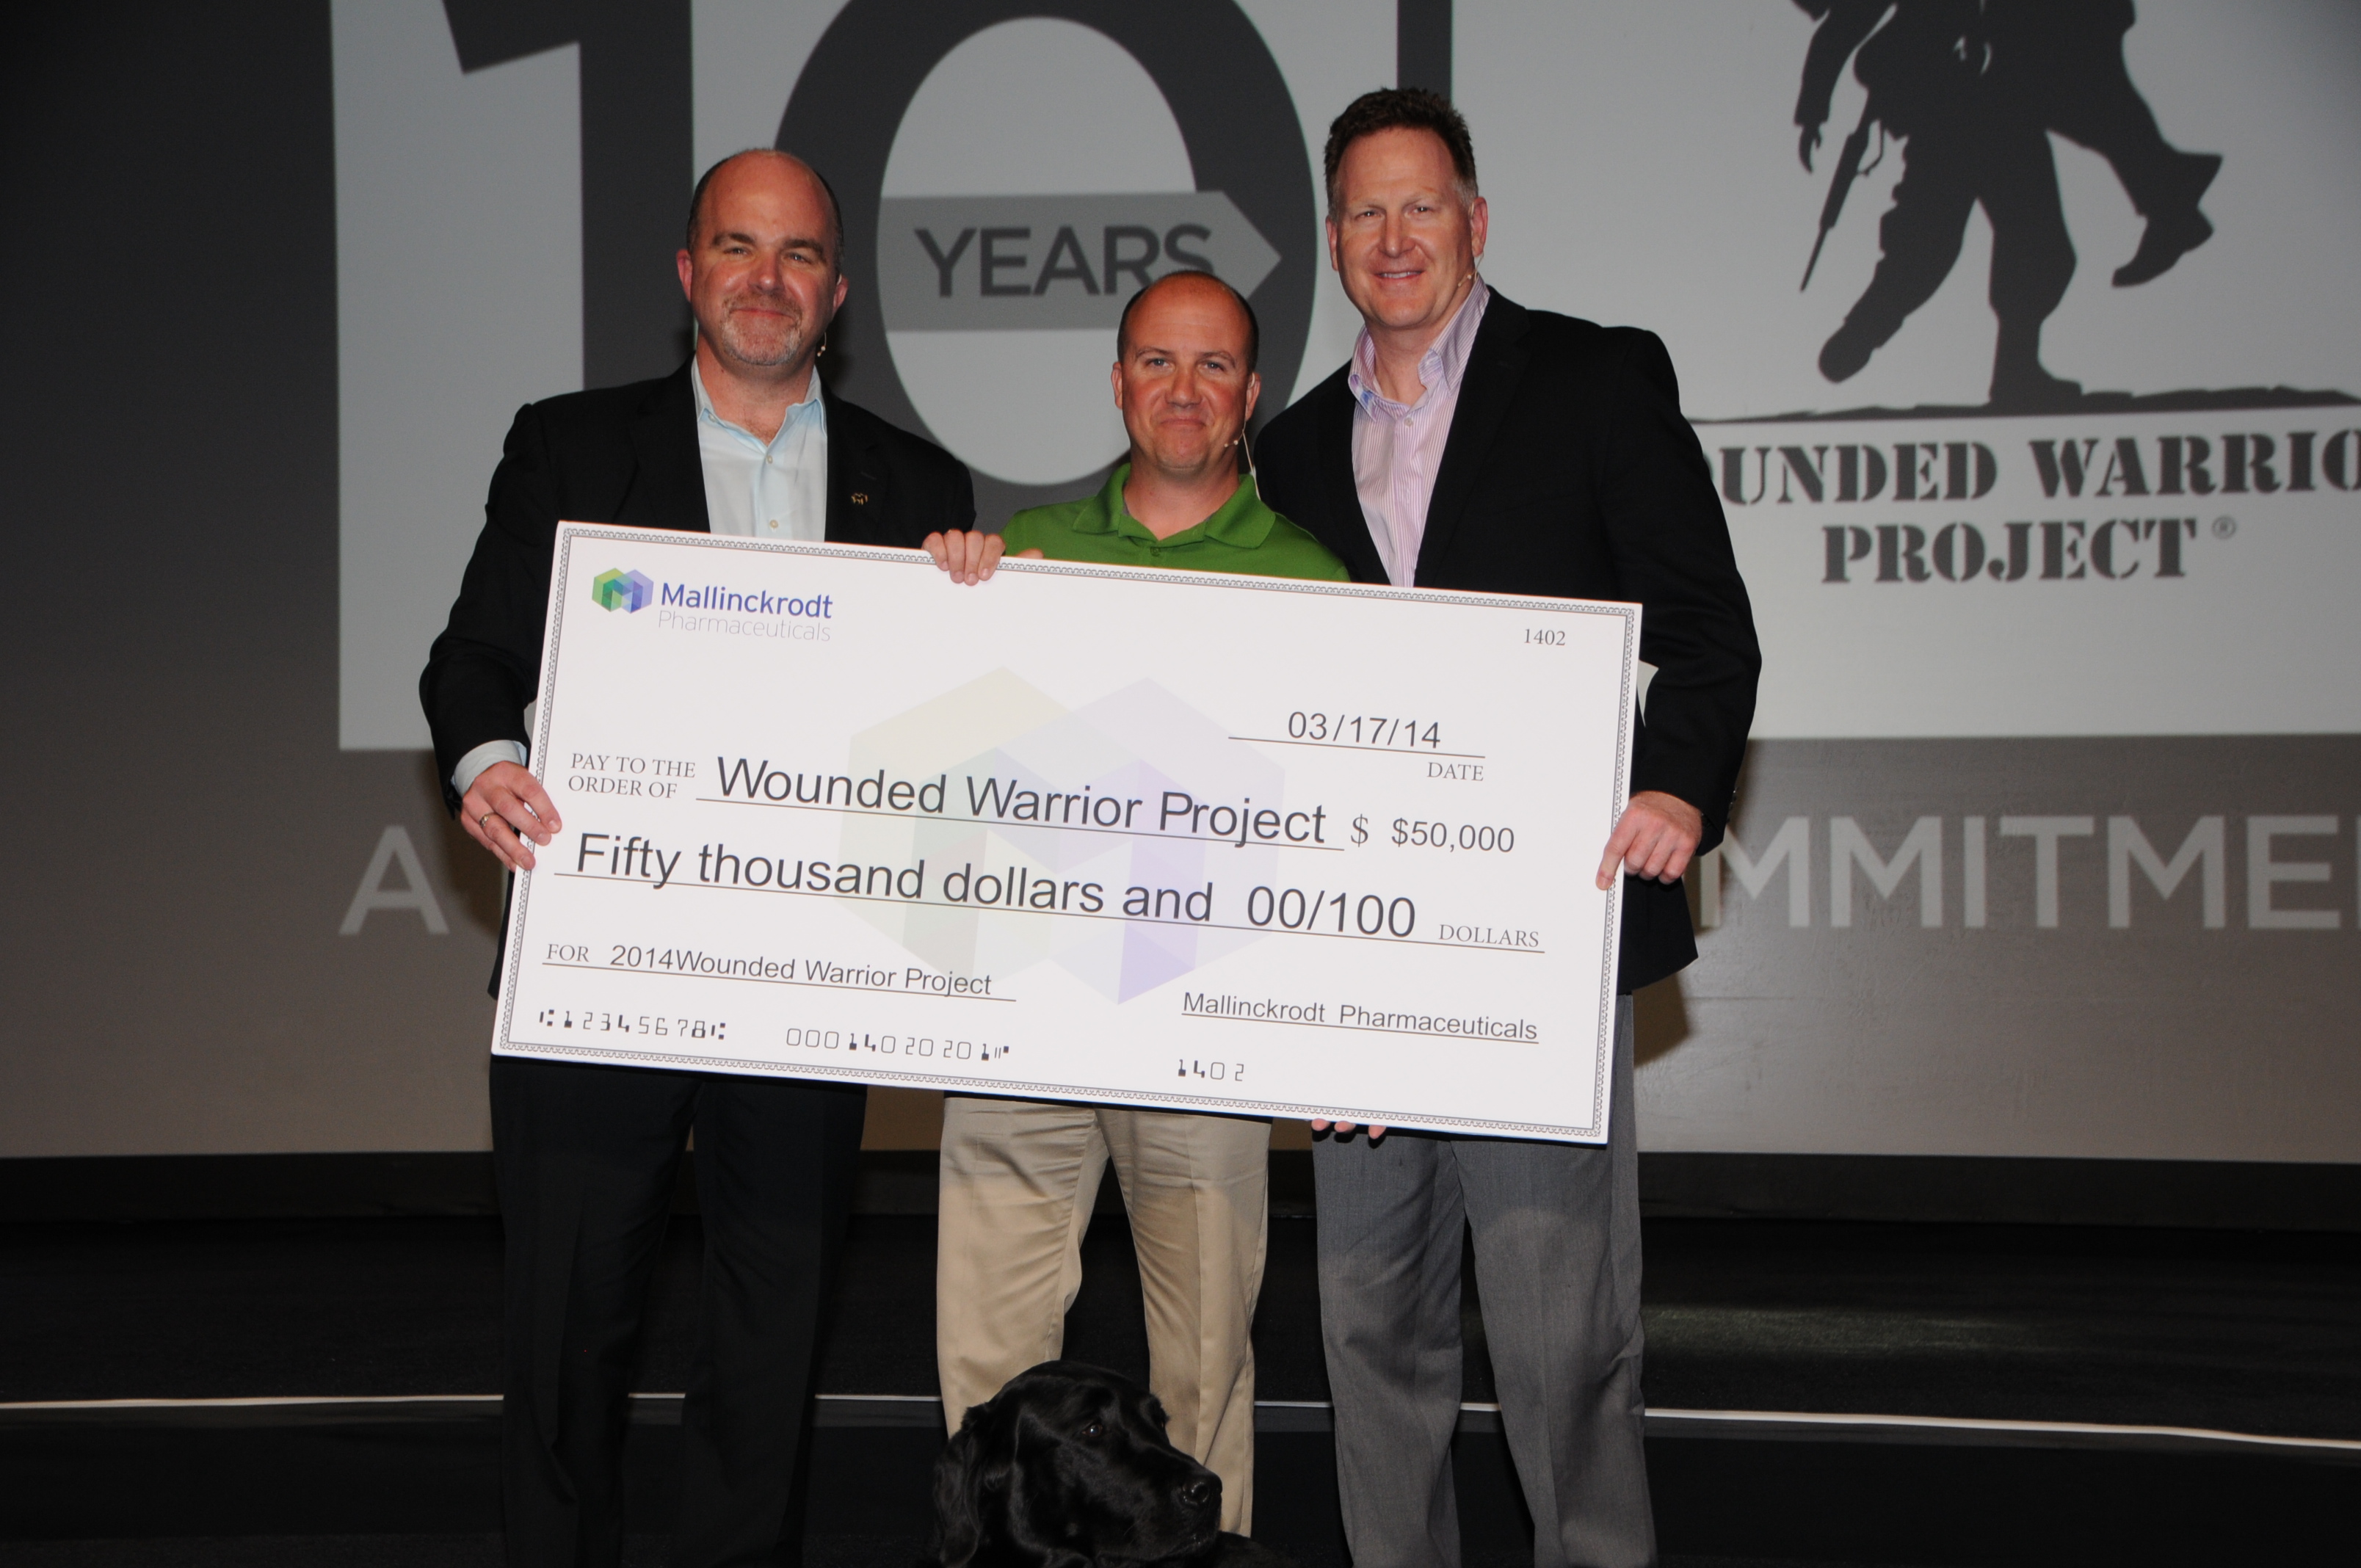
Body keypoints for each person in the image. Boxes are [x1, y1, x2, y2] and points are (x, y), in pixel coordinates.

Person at [419, 148, 973, 1568]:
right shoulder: (570, 445)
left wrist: (986, 616)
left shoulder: (915, 485)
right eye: (738, 247)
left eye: (796, 256)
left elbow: (956, 737)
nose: (766, 279)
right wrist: (489, 766)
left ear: (836, 294)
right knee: (564, 1327)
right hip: (602, 963)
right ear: (688, 275)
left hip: (805, 985)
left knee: (770, 1335)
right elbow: (471, 661)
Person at [1252, 90, 1760, 1568]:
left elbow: (1711, 629)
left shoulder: (1595, 381)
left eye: (1422, 207)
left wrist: (1675, 784)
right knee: (1370, 1334)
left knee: (1560, 1340)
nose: (1393, 238)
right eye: (1364, 212)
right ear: (1333, 236)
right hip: (1359, 967)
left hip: (1533, 944)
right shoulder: (1286, 453)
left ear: (1476, 222)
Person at [921, 269, 1348, 1533]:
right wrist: (939, 605)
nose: (1182, 389)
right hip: (1025, 1019)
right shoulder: (1023, 556)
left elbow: (1332, 835)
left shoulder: (1316, 583)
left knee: (1204, 1367)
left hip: (1199, 1029)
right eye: (1157, 362)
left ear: (1250, 396)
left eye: (1212, 366)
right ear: (1117, 384)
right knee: (986, 1353)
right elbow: (943, 765)